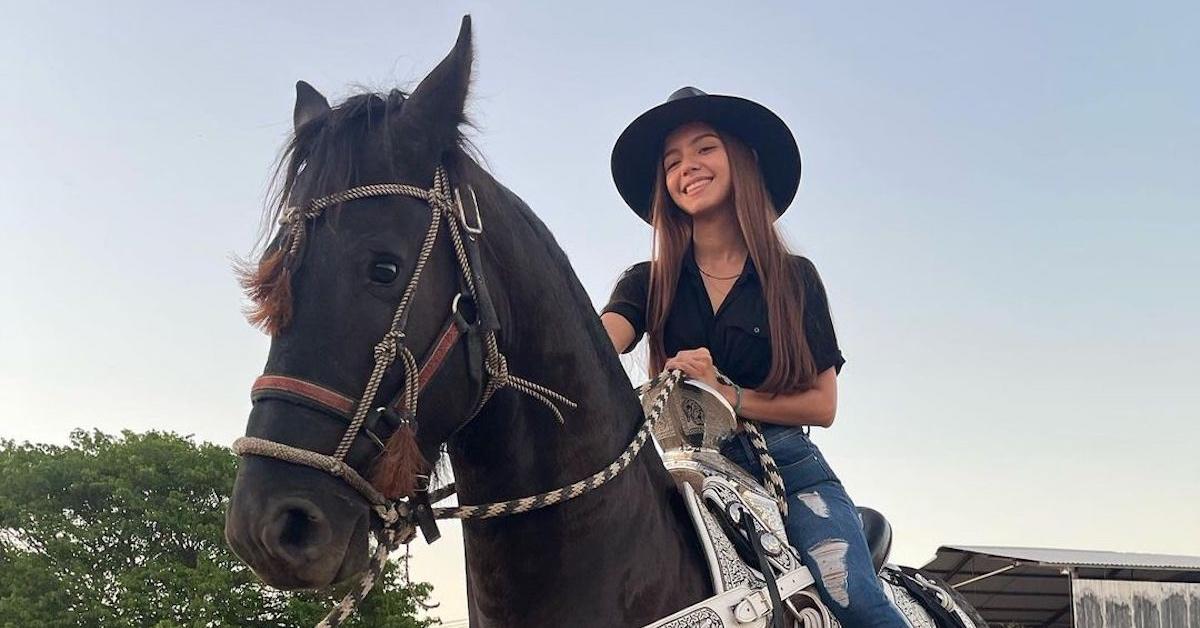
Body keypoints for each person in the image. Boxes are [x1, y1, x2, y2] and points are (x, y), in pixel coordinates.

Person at [601, 87, 907, 626]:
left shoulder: (794, 279)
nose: (687, 168)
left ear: (740, 160)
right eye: (672, 162)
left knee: (851, 592)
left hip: (787, 468)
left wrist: (729, 395)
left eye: (704, 149)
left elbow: (823, 405)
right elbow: (600, 343)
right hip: (678, 465)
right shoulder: (648, 283)